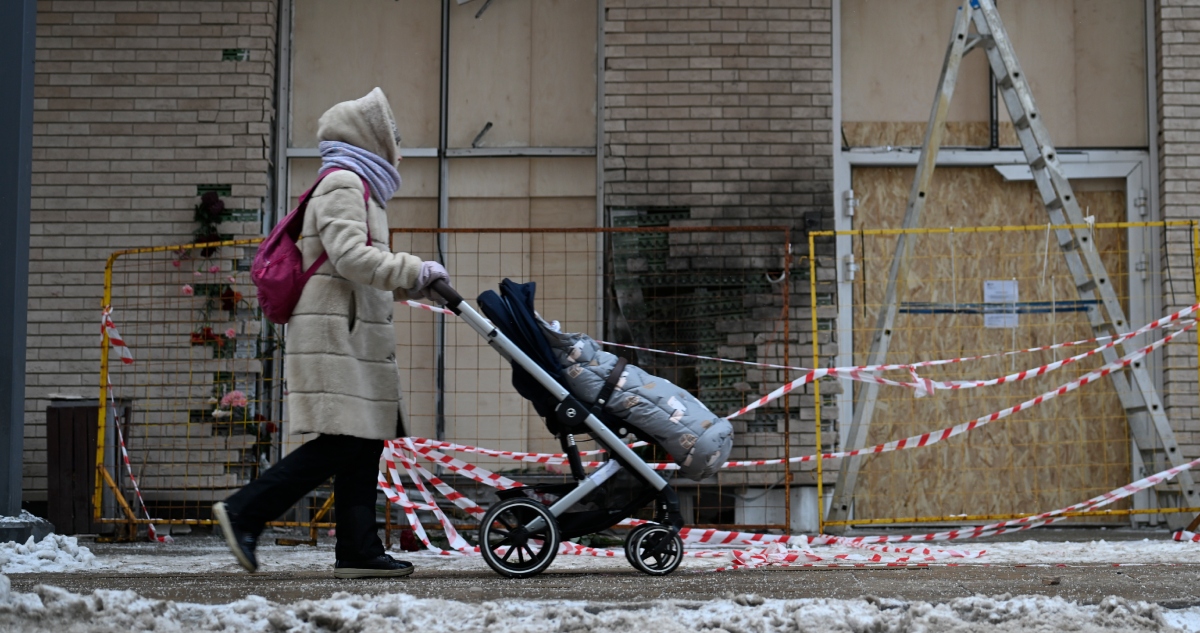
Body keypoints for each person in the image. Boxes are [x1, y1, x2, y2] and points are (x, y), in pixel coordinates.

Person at [213, 88, 449, 579]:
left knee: (364, 441)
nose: (399, 148)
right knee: (345, 442)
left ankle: (358, 552)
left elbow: (356, 270)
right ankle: (244, 511)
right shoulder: (344, 182)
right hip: (336, 336)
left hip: (350, 334)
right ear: (373, 137)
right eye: (395, 137)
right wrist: (413, 269)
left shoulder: (359, 185)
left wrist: (418, 285)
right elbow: (349, 257)